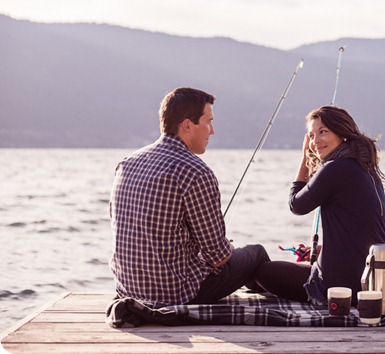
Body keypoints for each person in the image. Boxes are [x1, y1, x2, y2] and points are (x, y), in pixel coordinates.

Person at [109, 87, 269, 307]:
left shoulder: (127, 163)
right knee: (256, 253)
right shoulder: (195, 171)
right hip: (178, 293)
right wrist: (228, 249)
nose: (211, 131)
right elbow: (218, 257)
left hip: (128, 288)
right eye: (208, 122)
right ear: (187, 125)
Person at [255, 105, 385, 305]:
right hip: (369, 281)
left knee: (262, 272)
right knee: (264, 276)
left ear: (342, 133)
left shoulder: (335, 168)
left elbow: (296, 205)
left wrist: (303, 159)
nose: (315, 141)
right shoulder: (365, 168)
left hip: (341, 286)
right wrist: (323, 250)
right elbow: (358, 231)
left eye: (323, 132)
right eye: (311, 136)